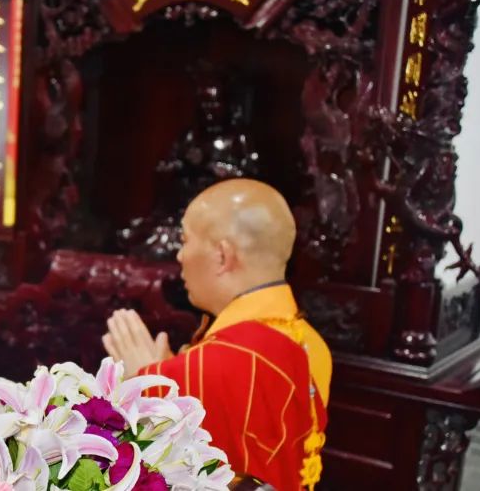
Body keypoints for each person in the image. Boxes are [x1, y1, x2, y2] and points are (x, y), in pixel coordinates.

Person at [102, 178, 332, 491]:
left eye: (185, 240)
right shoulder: (311, 343)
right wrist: (175, 372)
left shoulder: (225, 361)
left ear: (223, 256)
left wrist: (149, 381)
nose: (179, 256)